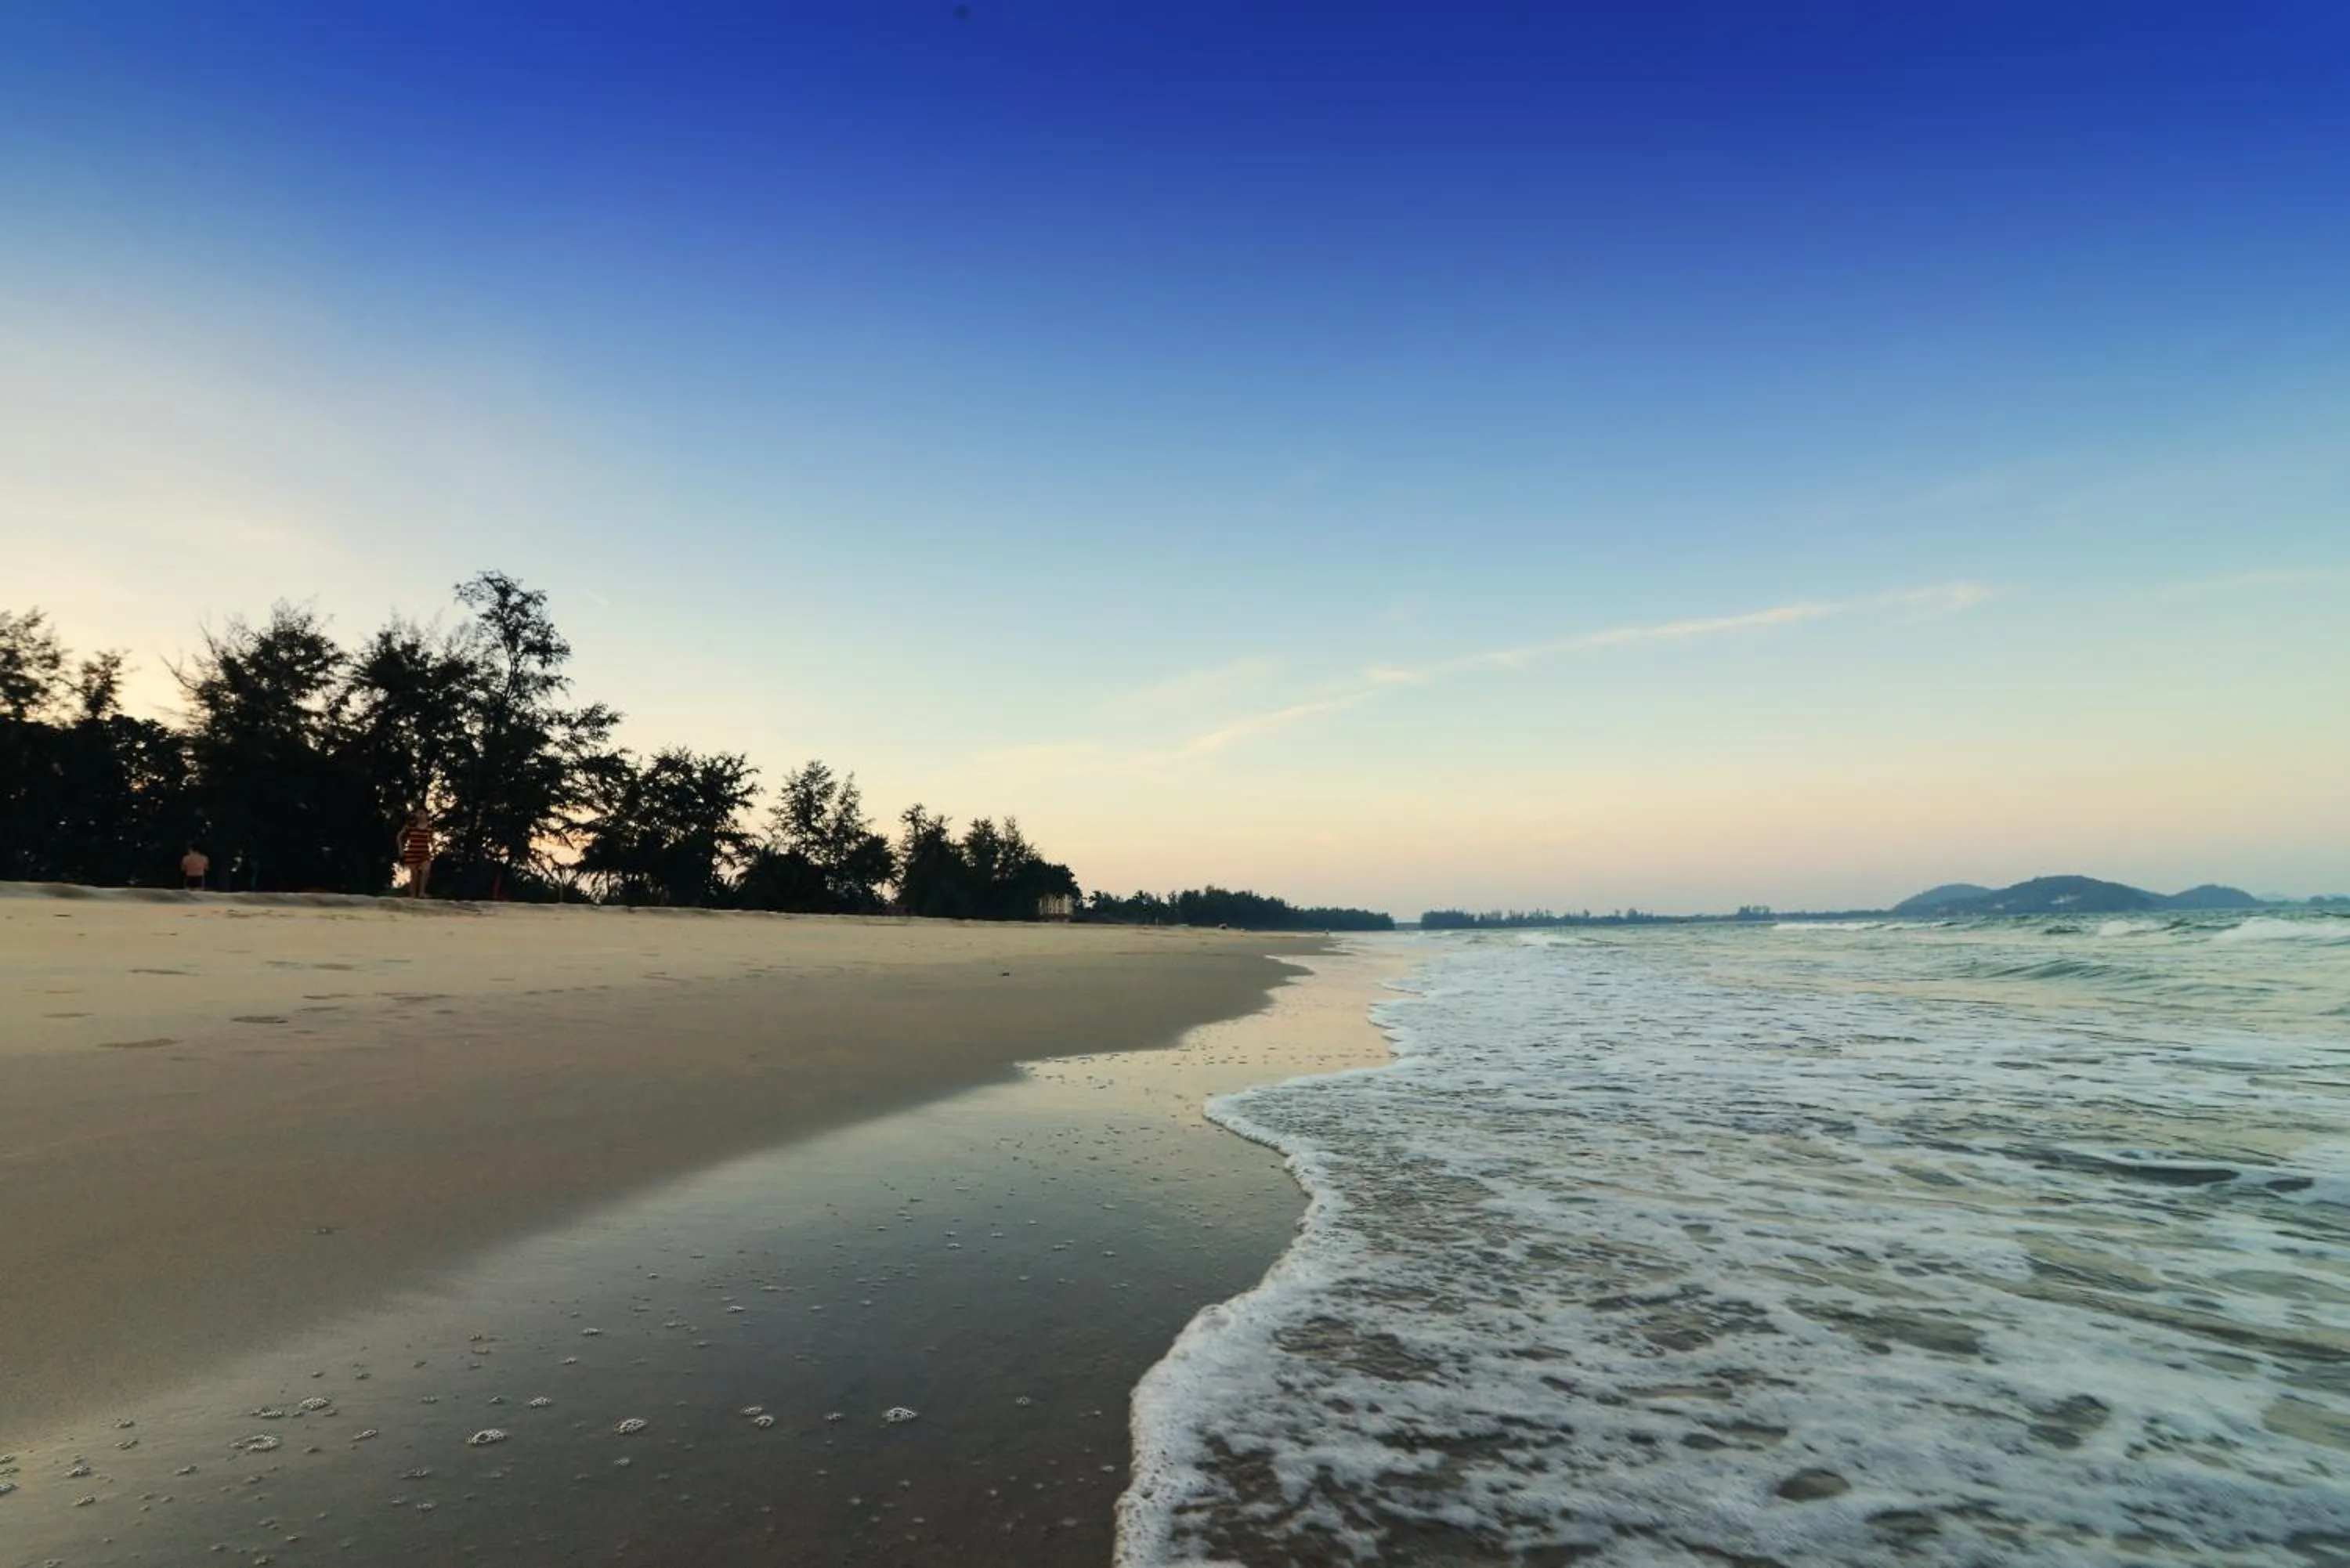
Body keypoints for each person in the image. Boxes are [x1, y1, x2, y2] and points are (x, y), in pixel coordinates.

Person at [398, 809, 435, 898]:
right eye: (418, 813)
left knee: (426, 870)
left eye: (422, 813)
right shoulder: (410, 826)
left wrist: (434, 847)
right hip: (412, 853)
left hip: (424, 853)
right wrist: (401, 849)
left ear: (426, 815)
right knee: (414, 875)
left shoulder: (430, 828)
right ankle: (413, 895)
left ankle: (422, 893)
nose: (420, 815)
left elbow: (431, 840)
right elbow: (399, 837)